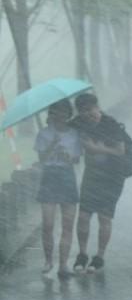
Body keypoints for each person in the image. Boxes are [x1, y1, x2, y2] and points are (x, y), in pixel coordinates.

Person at [71, 94, 131, 274]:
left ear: (98, 107)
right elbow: (65, 136)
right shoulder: (77, 124)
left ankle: (99, 257)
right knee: (83, 216)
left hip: (113, 176)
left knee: (104, 217)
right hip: (92, 175)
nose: (88, 114)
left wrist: (97, 149)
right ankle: (82, 254)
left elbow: (120, 151)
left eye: (91, 109)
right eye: (83, 111)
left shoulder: (111, 125)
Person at [34, 101, 82, 279]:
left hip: (67, 176)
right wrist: (51, 144)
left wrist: (68, 156)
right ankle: (48, 260)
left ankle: (63, 264)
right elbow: (41, 158)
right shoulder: (43, 134)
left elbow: (76, 160)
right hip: (49, 177)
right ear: (51, 114)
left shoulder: (74, 134)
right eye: (56, 112)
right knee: (47, 224)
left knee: (68, 225)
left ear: (68, 114)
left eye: (63, 112)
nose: (60, 116)